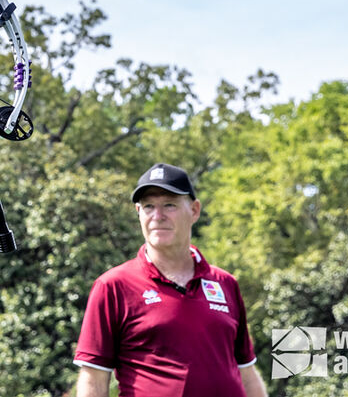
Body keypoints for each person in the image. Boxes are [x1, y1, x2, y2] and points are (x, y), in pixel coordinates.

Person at [73, 163, 268, 397]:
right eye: (148, 207)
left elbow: (245, 372)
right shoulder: (113, 286)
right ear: (138, 212)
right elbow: (93, 379)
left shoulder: (225, 283)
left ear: (194, 210)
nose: (158, 216)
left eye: (169, 205)